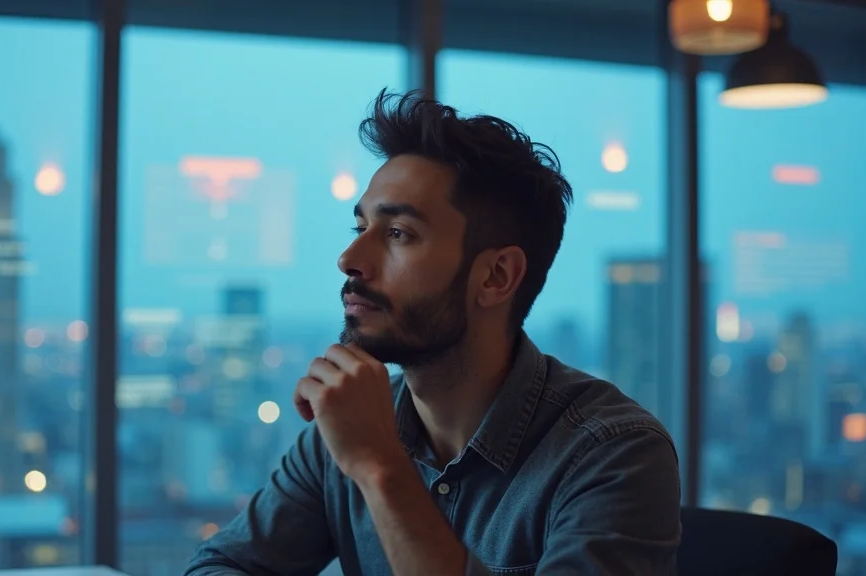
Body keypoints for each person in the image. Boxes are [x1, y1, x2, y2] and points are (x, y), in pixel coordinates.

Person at [185, 89, 681, 576]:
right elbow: (221, 565)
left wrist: (381, 469)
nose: (349, 260)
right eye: (361, 230)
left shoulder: (613, 453)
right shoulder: (344, 432)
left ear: (495, 277)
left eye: (399, 234)